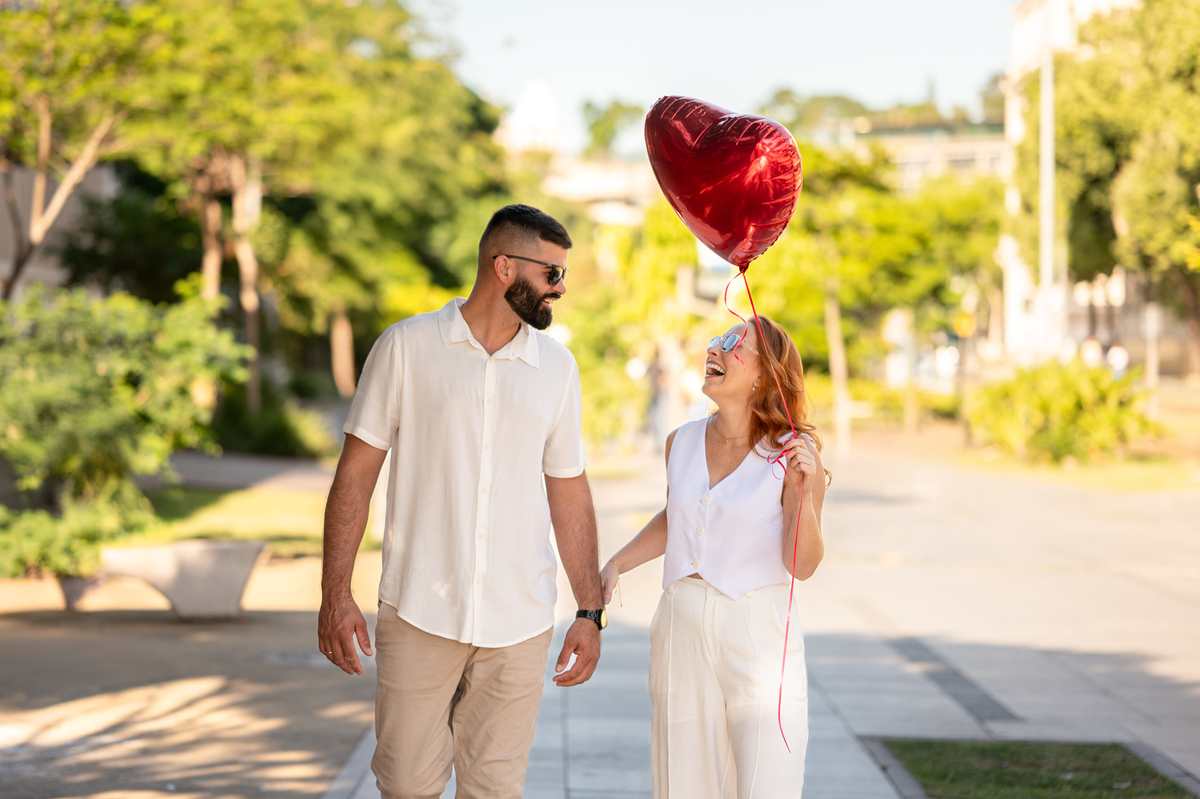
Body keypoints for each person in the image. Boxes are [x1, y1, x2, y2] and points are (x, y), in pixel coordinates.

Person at [318, 204, 606, 799]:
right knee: (404, 786)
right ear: (504, 267)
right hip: (420, 608)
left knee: (496, 789)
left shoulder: (556, 367)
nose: (561, 287)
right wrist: (334, 592)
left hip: (520, 619)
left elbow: (569, 489)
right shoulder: (406, 347)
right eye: (551, 273)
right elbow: (355, 476)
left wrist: (589, 610)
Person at [601, 316, 826, 799]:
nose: (714, 349)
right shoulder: (679, 442)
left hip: (758, 634)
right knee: (683, 784)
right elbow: (677, 516)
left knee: (770, 784)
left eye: (732, 344)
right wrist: (617, 563)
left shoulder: (791, 453)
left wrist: (804, 495)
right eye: (716, 341)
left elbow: (802, 565)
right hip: (680, 627)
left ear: (765, 375)